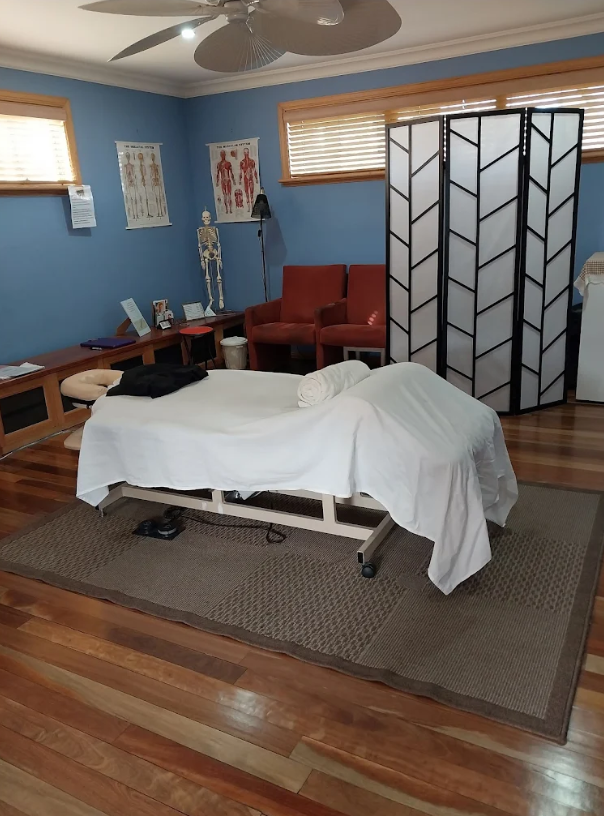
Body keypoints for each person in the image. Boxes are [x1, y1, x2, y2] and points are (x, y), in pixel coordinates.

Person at [216, 150, 235, 214]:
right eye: (221, 154)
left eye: (223, 154)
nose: (222, 155)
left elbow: (231, 173)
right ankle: (227, 209)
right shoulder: (219, 164)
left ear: (225, 155)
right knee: (225, 195)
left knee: (229, 195)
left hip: (228, 180)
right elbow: (218, 174)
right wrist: (217, 181)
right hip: (223, 181)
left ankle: (231, 209)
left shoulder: (228, 163)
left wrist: (234, 180)